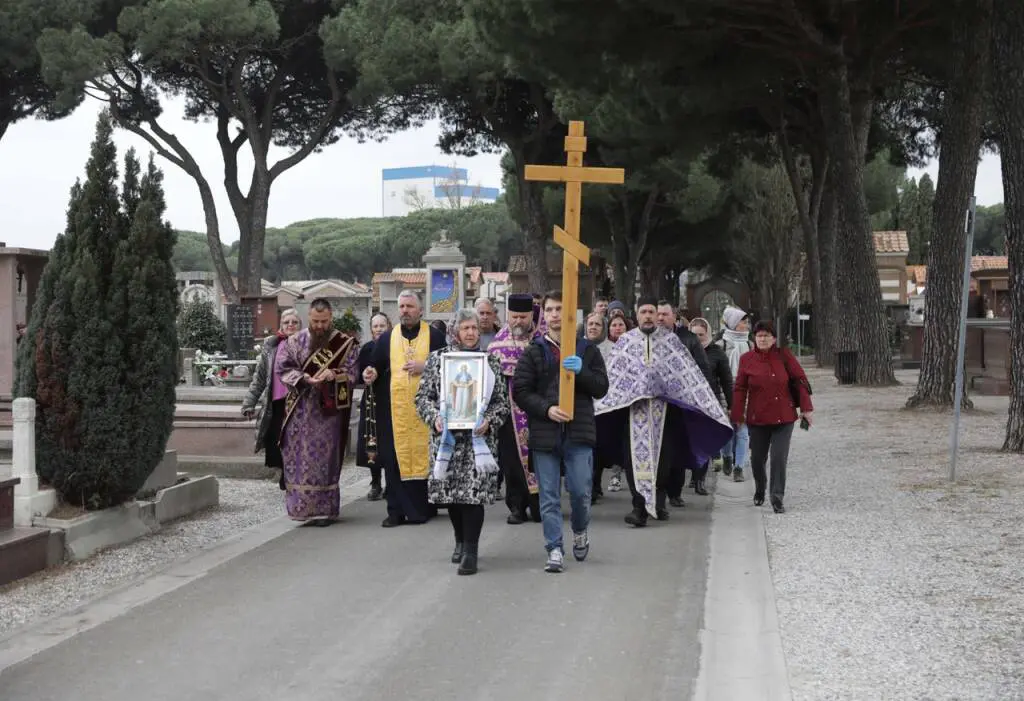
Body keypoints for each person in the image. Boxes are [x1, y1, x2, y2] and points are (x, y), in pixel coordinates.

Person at [596, 297, 732, 527]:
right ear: (637, 315)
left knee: (663, 461)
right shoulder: (625, 342)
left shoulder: (671, 342)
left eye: (652, 312)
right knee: (634, 460)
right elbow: (614, 377)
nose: (649, 316)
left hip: (666, 412)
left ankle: (657, 502)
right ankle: (639, 506)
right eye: (644, 312)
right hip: (633, 412)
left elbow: (687, 375)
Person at [513, 291, 608, 573]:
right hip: (545, 433)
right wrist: (546, 409)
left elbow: (602, 387)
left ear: (570, 314)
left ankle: (579, 529)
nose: (555, 315)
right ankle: (554, 547)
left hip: (579, 432)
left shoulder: (587, 350)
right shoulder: (535, 350)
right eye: (550, 310)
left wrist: (584, 373)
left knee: (580, 492)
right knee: (549, 496)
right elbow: (520, 390)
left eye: (560, 309)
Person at [415, 309, 510, 575]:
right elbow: (422, 398)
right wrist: (434, 418)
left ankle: (471, 549)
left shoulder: (489, 362)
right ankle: (459, 539)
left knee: (472, 497)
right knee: (453, 497)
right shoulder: (437, 361)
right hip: (447, 440)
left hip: (477, 442)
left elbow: (501, 403)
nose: (470, 333)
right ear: (455, 331)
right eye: (465, 328)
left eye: (474, 328)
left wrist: (489, 420)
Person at [362, 290, 447, 527]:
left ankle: (424, 508)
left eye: (410, 306)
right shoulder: (388, 338)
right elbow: (375, 365)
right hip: (395, 412)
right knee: (394, 460)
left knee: (425, 457)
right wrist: (371, 372)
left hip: (427, 412)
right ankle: (396, 511)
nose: (405, 311)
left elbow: (449, 366)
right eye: (401, 307)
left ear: (420, 310)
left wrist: (427, 365)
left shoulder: (436, 337)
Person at [276, 299, 360, 525]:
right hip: (299, 412)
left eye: (324, 321)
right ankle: (301, 510)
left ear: (331, 318)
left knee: (325, 460)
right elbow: (282, 368)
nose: (320, 326)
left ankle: (324, 512)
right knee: (297, 458)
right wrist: (304, 378)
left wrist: (334, 375)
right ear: (309, 318)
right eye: (315, 321)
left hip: (328, 414)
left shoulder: (345, 343)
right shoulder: (294, 341)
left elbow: (353, 374)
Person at [731, 320, 813, 514]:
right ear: (754, 338)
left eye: (767, 335)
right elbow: (740, 388)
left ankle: (777, 497)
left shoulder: (784, 356)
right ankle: (760, 487)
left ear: (774, 338)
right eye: (759, 335)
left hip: (783, 417)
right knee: (757, 459)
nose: (763, 339)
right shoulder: (747, 359)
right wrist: (737, 414)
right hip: (757, 418)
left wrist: (806, 408)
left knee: (778, 458)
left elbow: (800, 381)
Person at [488, 293, 543, 524]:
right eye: (514, 317)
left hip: (539, 411)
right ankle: (517, 507)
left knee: (539, 458)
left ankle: (539, 505)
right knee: (511, 461)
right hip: (509, 412)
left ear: (532, 315)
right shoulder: (497, 343)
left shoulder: (543, 339)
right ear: (508, 316)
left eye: (523, 317)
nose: (518, 321)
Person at [242, 308, 303, 491]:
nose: (290, 325)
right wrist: (249, 402)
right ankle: (284, 471)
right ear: (281, 325)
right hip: (276, 402)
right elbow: (259, 378)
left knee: (296, 441)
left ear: (300, 325)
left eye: (294, 322)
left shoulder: (307, 345)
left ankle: (293, 475)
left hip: (298, 402)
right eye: (286, 322)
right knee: (277, 440)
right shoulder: (271, 346)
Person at [687, 317, 734, 496]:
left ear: (707, 334)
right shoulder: (683, 351)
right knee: (688, 441)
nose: (697, 338)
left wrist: (732, 405)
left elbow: (726, 381)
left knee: (703, 442)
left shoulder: (716, 353)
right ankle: (691, 473)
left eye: (701, 334)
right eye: (694, 334)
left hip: (708, 402)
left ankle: (700, 479)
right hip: (687, 402)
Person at [356, 313, 392, 501]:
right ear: (371, 329)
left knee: (388, 442)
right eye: (375, 326)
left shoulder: (394, 347)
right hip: (370, 401)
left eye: (382, 325)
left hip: (390, 399)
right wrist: (365, 373)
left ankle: (390, 483)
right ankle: (375, 482)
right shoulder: (367, 349)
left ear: (389, 327)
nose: (379, 329)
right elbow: (356, 374)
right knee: (371, 441)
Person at [719, 306, 752, 481]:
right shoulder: (721, 344)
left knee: (743, 432)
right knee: (727, 432)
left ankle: (739, 468)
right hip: (726, 394)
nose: (747, 325)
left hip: (745, 393)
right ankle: (727, 456)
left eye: (746, 322)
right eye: (743, 322)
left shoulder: (750, 344)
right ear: (733, 323)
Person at [597, 314, 629, 494]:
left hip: (625, 400)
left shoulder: (632, 346)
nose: (618, 328)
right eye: (614, 325)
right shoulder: (604, 348)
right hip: (605, 400)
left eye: (621, 325)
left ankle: (617, 475)